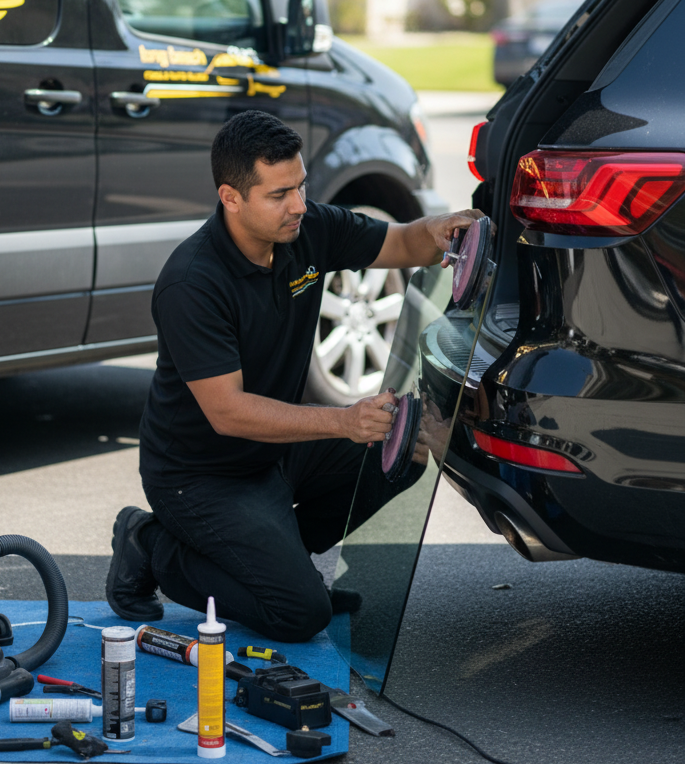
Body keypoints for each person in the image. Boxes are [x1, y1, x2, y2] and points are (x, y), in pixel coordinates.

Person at [106, 110, 481, 643]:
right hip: (201, 475)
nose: (299, 205)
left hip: (275, 453)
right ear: (231, 197)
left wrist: (444, 232)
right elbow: (228, 412)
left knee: (404, 449)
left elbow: (402, 243)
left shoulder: (308, 231)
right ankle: (150, 543)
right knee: (299, 615)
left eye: (301, 186)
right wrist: (344, 421)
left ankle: (277, 563)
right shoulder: (191, 282)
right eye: (279, 194)